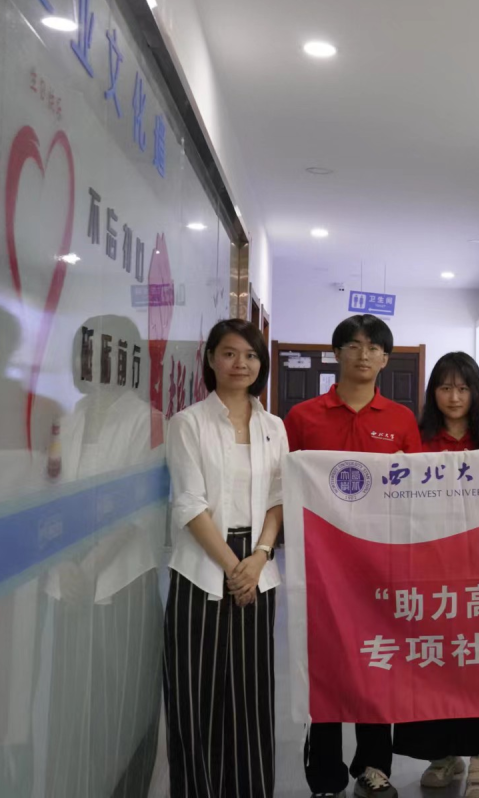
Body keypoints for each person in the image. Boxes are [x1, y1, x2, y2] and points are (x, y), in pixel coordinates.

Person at [285, 314, 422, 798]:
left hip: (380, 564)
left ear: (385, 359)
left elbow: (417, 492)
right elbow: (286, 486)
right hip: (321, 565)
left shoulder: (401, 420)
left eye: (374, 348)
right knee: (324, 665)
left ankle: (374, 765)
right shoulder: (303, 417)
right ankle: (324, 772)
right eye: (354, 345)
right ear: (336, 352)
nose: (364, 355)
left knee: (377, 662)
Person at [164, 319, 287, 798]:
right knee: (195, 697)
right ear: (212, 358)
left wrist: (259, 557)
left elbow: (279, 498)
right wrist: (234, 567)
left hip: (257, 567)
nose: (241, 364)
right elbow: (188, 504)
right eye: (230, 353)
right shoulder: (188, 422)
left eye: (251, 355)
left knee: (250, 697)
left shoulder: (274, 426)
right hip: (202, 567)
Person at [394, 351, 479, 798]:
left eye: (463, 388)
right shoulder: (417, 438)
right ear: (433, 393)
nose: (454, 397)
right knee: (434, 663)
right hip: (430, 571)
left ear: (476, 392)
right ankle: (442, 755)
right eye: (445, 388)